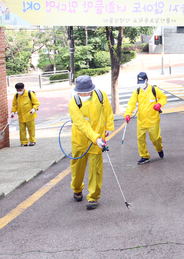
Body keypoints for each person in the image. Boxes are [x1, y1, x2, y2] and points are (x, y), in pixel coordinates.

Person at [69, 75, 114, 210]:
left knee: (96, 170)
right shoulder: (74, 102)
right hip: (80, 141)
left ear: (91, 89)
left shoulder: (101, 96)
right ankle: (77, 189)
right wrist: (95, 138)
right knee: (77, 169)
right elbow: (82, 124)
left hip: (97, 141)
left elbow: (108, 112)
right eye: (80, 92)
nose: (83, 94)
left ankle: (93, 197)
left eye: (85, 91)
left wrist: (109, 128)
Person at [124, 72, 168, 165]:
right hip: (141, 121)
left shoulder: (154, 89)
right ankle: (144, 156)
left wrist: (159, 104)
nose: (141, 85)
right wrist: (128, 114)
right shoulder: (137, 91)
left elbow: (163, 98)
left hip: (153, 120)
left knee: (155, 139)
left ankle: (159, 148)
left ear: (147, 80)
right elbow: (131, 103)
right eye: (139, 83)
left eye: (143, 82)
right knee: (140, 139)